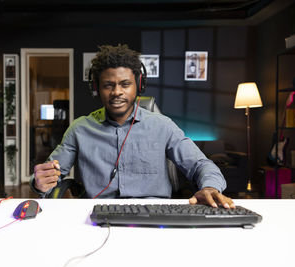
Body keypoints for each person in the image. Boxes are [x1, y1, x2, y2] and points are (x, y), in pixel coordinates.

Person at [32, 44, 235, 208]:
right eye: (108, 85)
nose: (116, 92)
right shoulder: (79, 129)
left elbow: (201, 164)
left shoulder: (162, 126)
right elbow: (51, 175)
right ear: (96, 88)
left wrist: (210, 186)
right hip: (99, 215)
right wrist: (40, 182)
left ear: (139, 85)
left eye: (125, 84)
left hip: (154, 214)